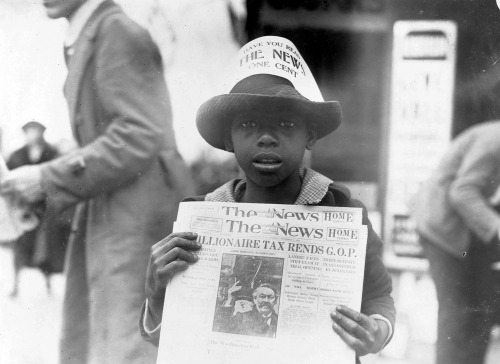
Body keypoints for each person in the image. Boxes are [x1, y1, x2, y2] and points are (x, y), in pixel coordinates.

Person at [140, 36, 395, 360]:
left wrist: (377, 331)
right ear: (228, 139)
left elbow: (379, 296)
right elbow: (172, 338)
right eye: (248, 124)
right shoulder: (200, 219)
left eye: (286, 123)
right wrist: (156, 296)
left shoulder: (343, 211)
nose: (266, 138)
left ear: (311, 135)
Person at [1, 0, 192, 363]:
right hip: (114, 207)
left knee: (126, 341)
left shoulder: (116, 31)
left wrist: (46, 176)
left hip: (136, 215)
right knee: (100, 339)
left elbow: (141, 133)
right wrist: (40, 185)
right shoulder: (91, 32)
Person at [412, 121, 500, 364]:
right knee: (457, 311)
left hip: (469, 232)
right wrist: (496, 226)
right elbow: (463, 192)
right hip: (442, 229)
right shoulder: (494, 141)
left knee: (482, 309)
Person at [6, 120, 59, 297]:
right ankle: (15, 286)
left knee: (44, 248)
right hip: (22, 208)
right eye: (29, 131)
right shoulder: (16, 156)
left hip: (45, 209)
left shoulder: (52, 153)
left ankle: (48, 284)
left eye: (36, 130)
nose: (33, 134)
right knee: (20, 247)